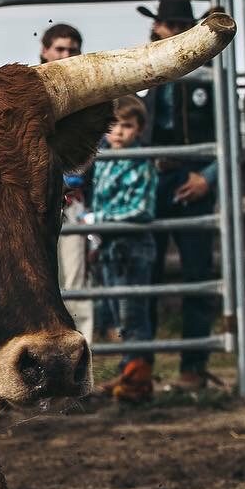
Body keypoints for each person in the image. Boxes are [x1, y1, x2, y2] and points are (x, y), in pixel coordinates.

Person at [140, 0, 219, 392]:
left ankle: (193, 365)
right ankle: (139, 367)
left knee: (196, 271)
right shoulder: (147, 73)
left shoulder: (209, 76)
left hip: (193, 176)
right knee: (145, 271)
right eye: (166, 24)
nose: (171, 31)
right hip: (157, 177)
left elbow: (230, 137)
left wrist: (208, 176)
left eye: (178, 25)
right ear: (157, 29)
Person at [93, 94, 158, 403]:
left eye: (127, 126)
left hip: (132, 247)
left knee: (133, 316)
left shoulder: (141, 160)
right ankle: (127, 372)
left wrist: (100, 220)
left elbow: (142, 209)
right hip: (109, 247)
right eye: (113, 125)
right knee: (118, 315)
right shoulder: (103, 157)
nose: (118, 132)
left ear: (140, 129)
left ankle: (138, 381)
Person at [39, 23, 94, 342]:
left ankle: (81, 352)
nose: (65, 55)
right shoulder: (28, 94)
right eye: (59, 49)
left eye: (72, 50)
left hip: (72, 201)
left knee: (75, 279)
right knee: (36, 277)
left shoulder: (86, 96)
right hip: (34, 203)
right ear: (44, 51)